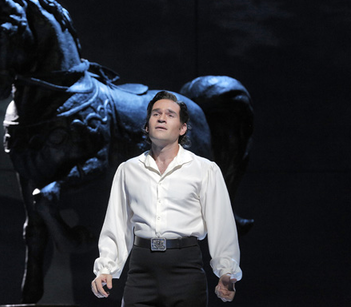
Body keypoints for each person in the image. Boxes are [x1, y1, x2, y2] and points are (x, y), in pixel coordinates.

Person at [91, 91, 242, 306]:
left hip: (185, 268)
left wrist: (227, 271)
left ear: (182, 128)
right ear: (146, 126)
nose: (161, 118)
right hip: (141, 268)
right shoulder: (128, 170)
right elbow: (117, 223)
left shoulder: (204, 169)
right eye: (155, 114)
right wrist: (106, 268)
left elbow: (221, 224)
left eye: (170, 114)